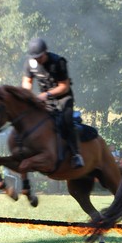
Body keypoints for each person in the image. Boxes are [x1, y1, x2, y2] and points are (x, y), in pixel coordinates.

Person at [21, 37, 84, 169]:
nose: (37, 60)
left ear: (46, 52)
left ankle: (76, 154)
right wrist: (28, 97)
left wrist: (47, 94)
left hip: (63, 98)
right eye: (35, 57)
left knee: (66, 120)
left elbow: (64, 86)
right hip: (44, 99)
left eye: (40, 57)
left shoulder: (58, 62)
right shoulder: (30, 63)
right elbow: (27, 82)